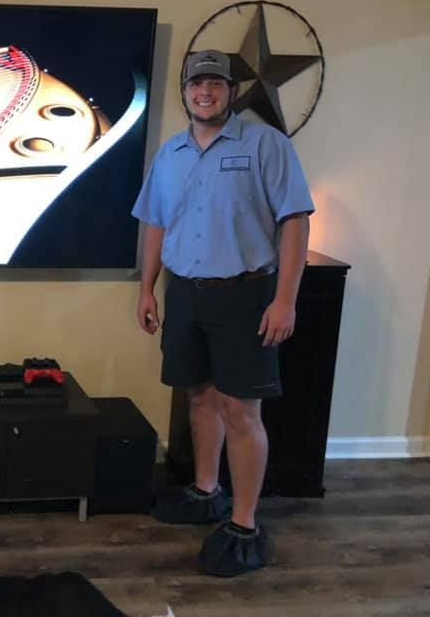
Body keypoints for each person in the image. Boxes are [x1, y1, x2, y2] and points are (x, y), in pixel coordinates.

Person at [131, 49, 313, 577]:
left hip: (245, 295)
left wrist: (285, 299)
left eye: (215, 84)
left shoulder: (266, 144)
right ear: (185, 92)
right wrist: (147, 289)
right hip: (185, 291)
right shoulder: (170, 154)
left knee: (241, 410)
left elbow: (295, 223)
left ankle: (244, 523)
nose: (204, 92)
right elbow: (154, 225)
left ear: (231, 92)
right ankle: (206, 491)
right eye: (196, 84)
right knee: (198, 396)